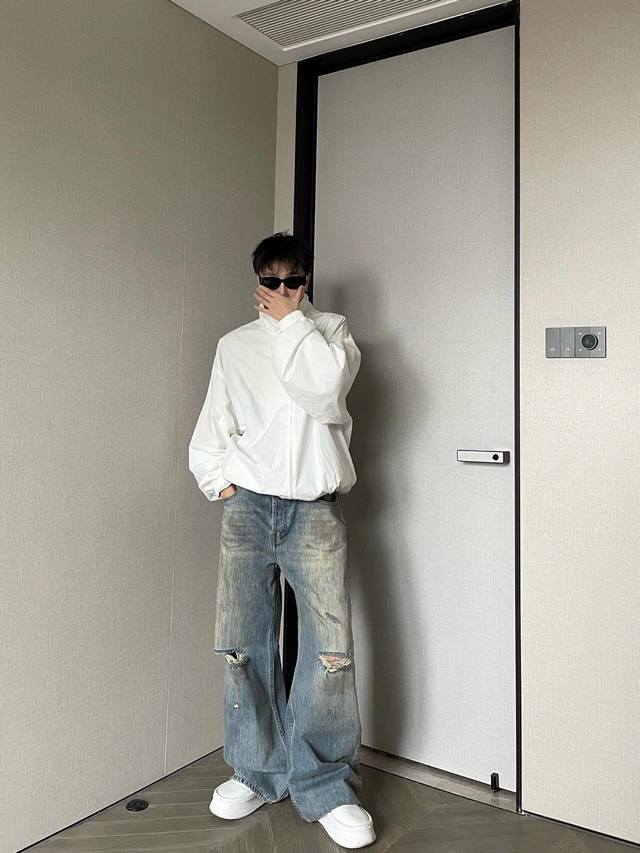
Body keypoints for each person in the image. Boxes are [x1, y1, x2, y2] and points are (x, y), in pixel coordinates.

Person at [188, 232, 375, 848]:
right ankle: (256, 769)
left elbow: (323, 394)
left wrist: (294, 322)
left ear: (306, 281)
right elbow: (215, 419)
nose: (282, 291)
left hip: (314, 508)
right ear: (257, 283)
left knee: (329, 650)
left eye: (293, 280)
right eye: (271, 281)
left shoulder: (331, 334)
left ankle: (325, 784)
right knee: (241, 643)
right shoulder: (234, 345)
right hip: (248, 507)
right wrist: (216, 481)